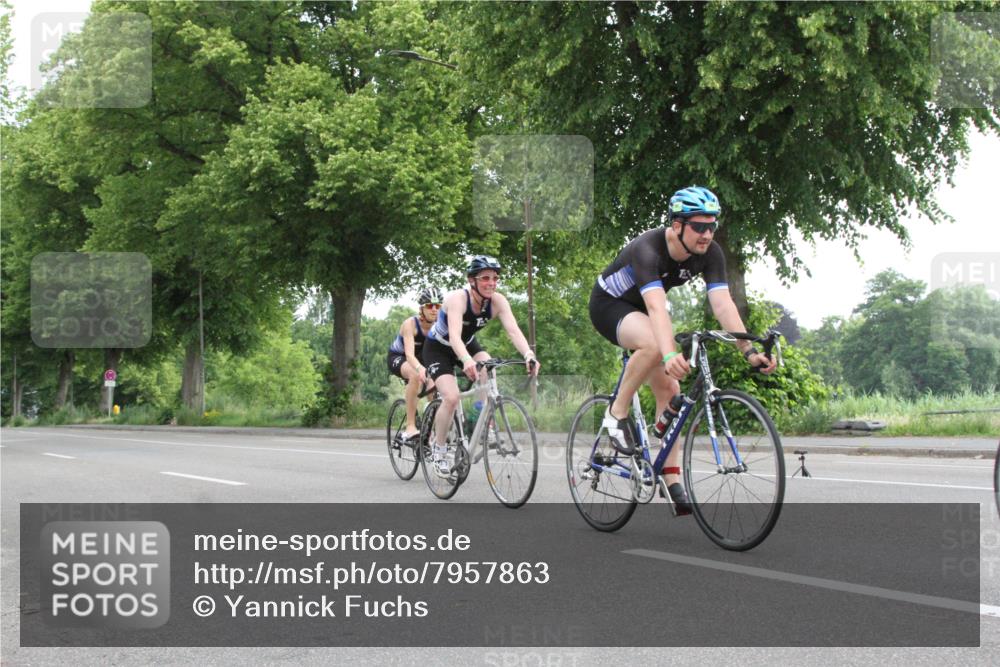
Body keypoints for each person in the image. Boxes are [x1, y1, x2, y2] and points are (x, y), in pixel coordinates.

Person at [588, 186, 776, 514]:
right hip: (610, 306)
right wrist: (668, 352)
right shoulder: (648, 249)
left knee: (671, 389)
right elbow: (658, 309)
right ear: (677, 225)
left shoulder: (710, 252)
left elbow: (723, 303)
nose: (707, 234)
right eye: (699, 226)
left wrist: (747, 350)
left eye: (712, 226)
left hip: (645, 312)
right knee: (654, 342)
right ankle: (616, 414)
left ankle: (670, 477)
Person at [422, 255, 540, 475]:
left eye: (495, 278)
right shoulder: (458, 299)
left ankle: (482, 422)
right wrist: (466, 360)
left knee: (488, 366)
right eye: (485, 278)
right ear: (472, 281)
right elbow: (455, 336)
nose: (491, 283)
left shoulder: (497, 301)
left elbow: (513, 330)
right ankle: (438, 449)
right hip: (439, 348)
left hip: (467, 344)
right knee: (451, 396)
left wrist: (528, 354)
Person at [387, 286, 442, 442]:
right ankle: (410, 425)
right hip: (400, 357)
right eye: (429, 306)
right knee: (416, 375)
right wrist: (420, 369)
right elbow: (410, 355)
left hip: (423, 359)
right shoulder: (410, 324)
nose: (434, 309)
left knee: (435, 389)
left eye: (437, 306)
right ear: (422, 308)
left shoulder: (441, 326)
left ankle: (430, 434)